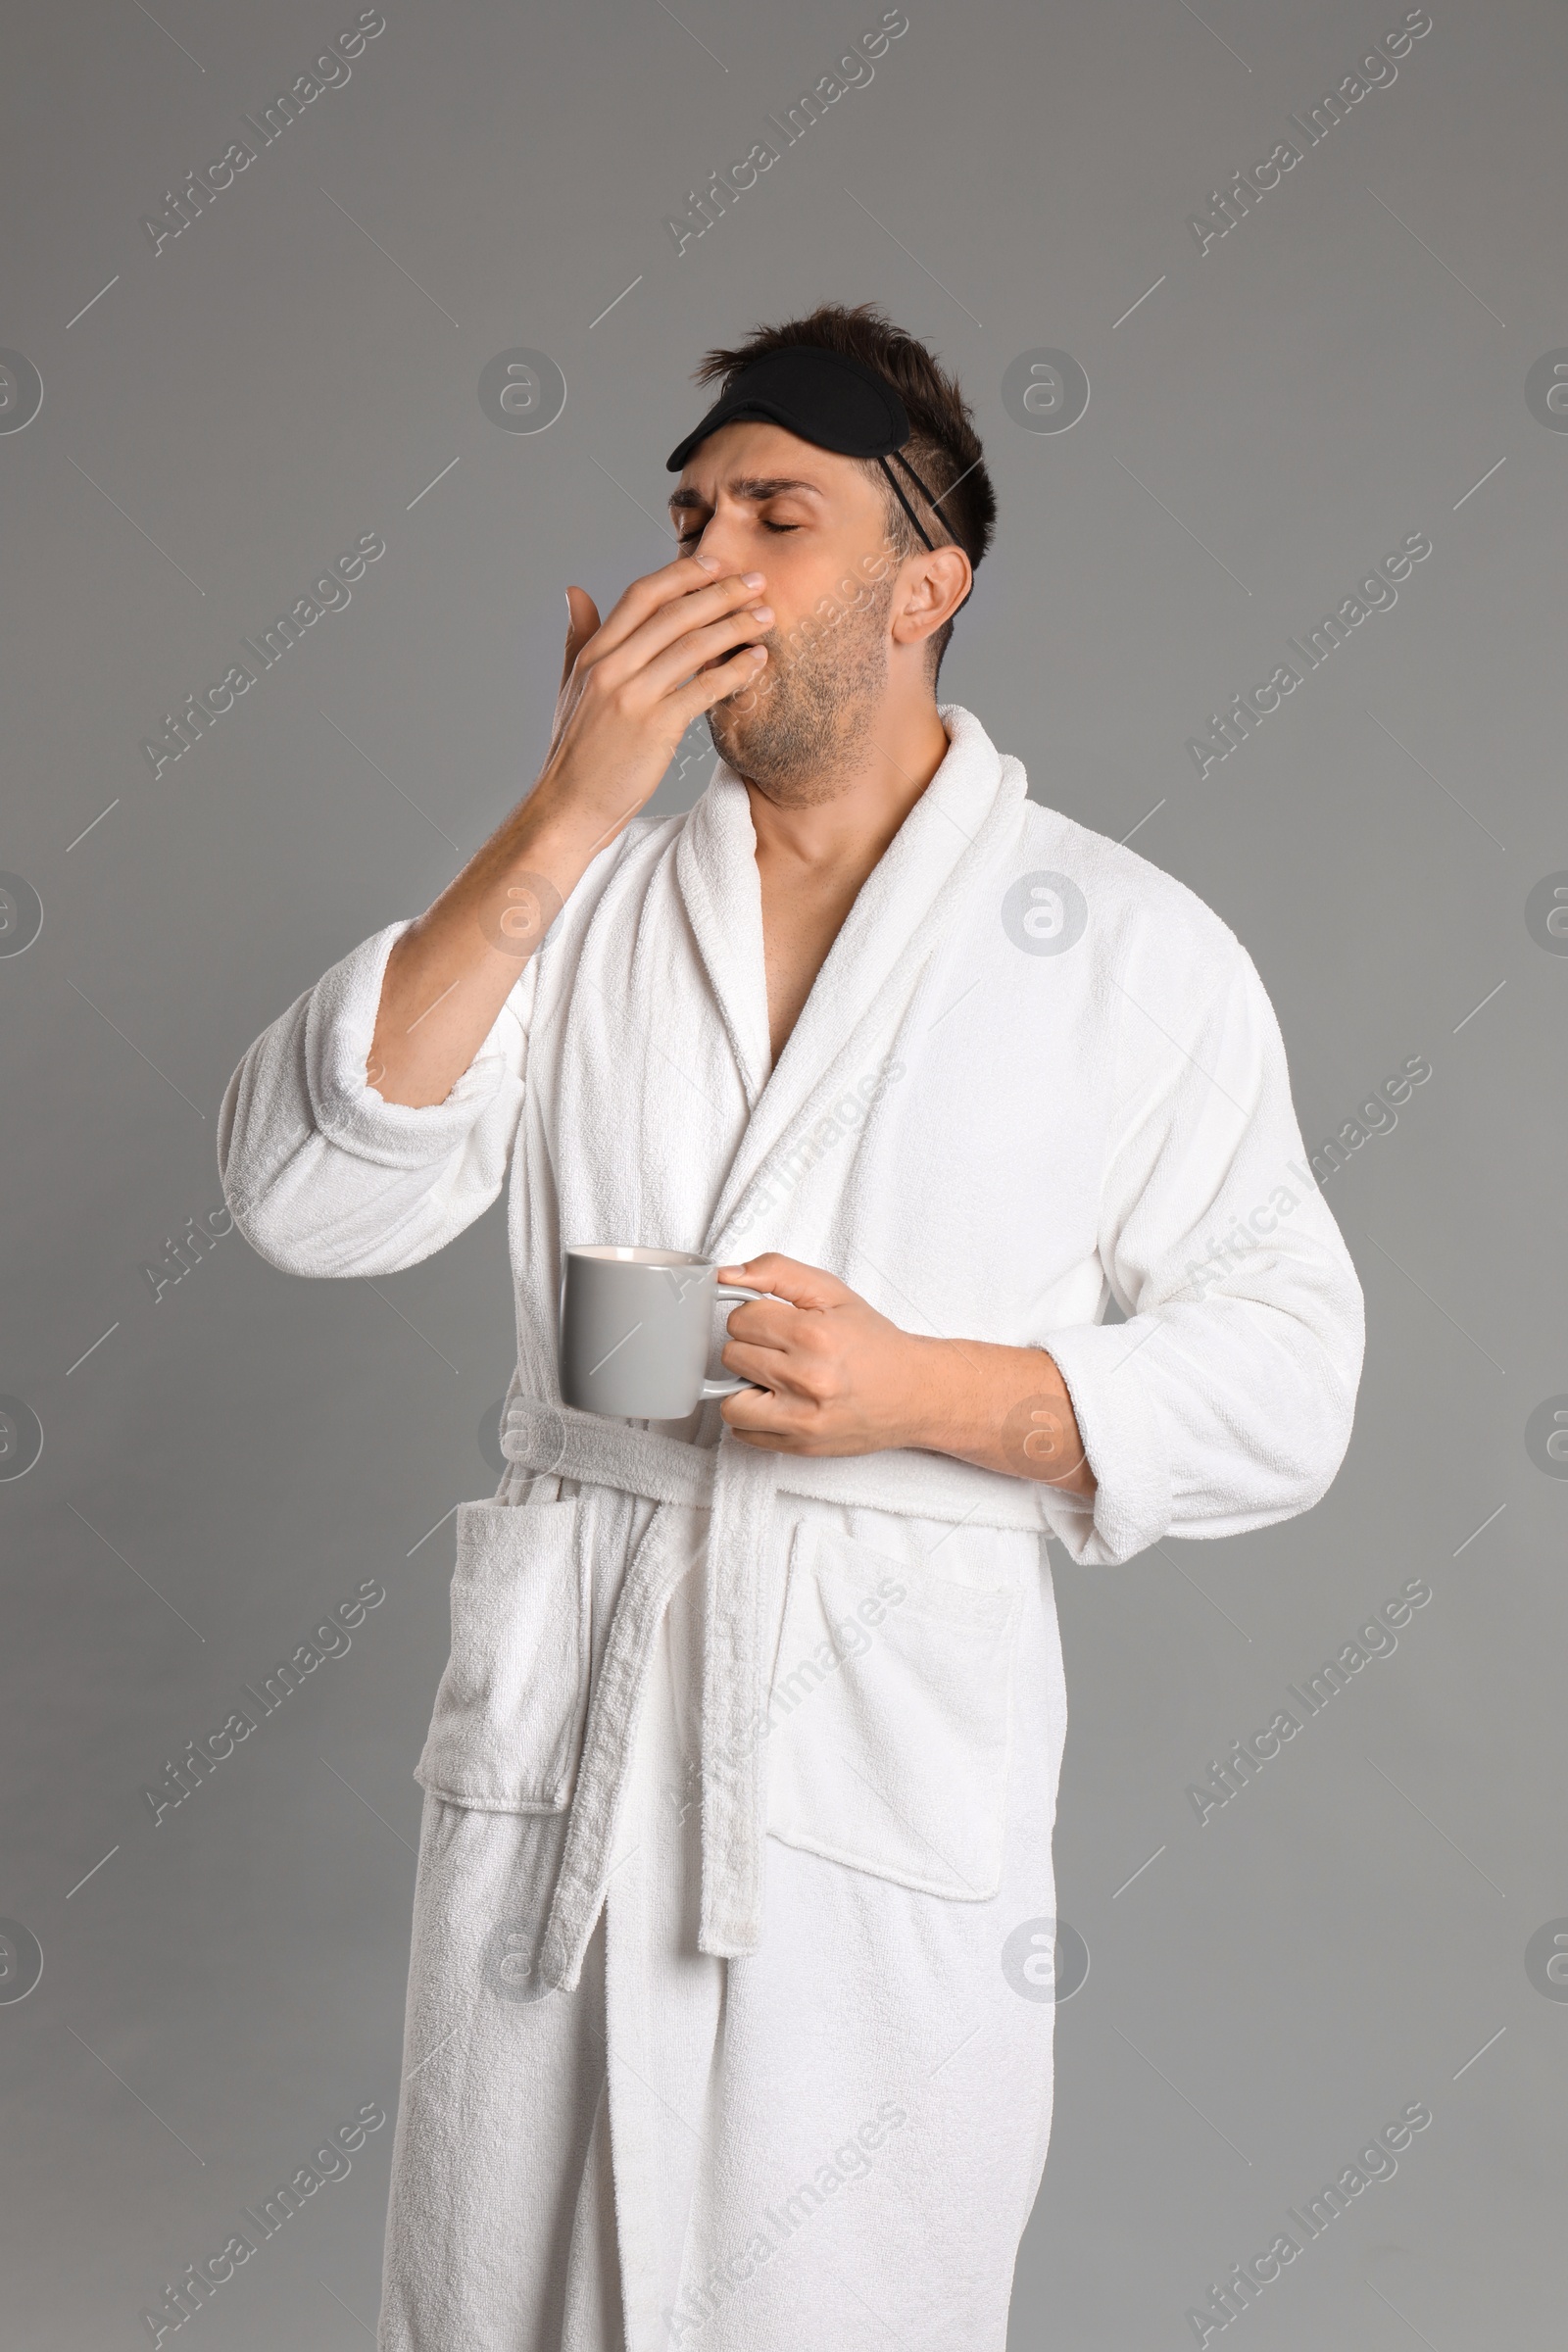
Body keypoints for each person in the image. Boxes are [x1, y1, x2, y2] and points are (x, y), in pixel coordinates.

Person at [217, 301, 1364, 2351]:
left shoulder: (1116, 950)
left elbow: (1289, 1380)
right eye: (684, 514)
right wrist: (563, 816)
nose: (703, 559)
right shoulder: (573, 909)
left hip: (862, 1812)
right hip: (563, 1758)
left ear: (926, 583)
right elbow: (308, 1193)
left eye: (774, 513)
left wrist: (931, 1392)